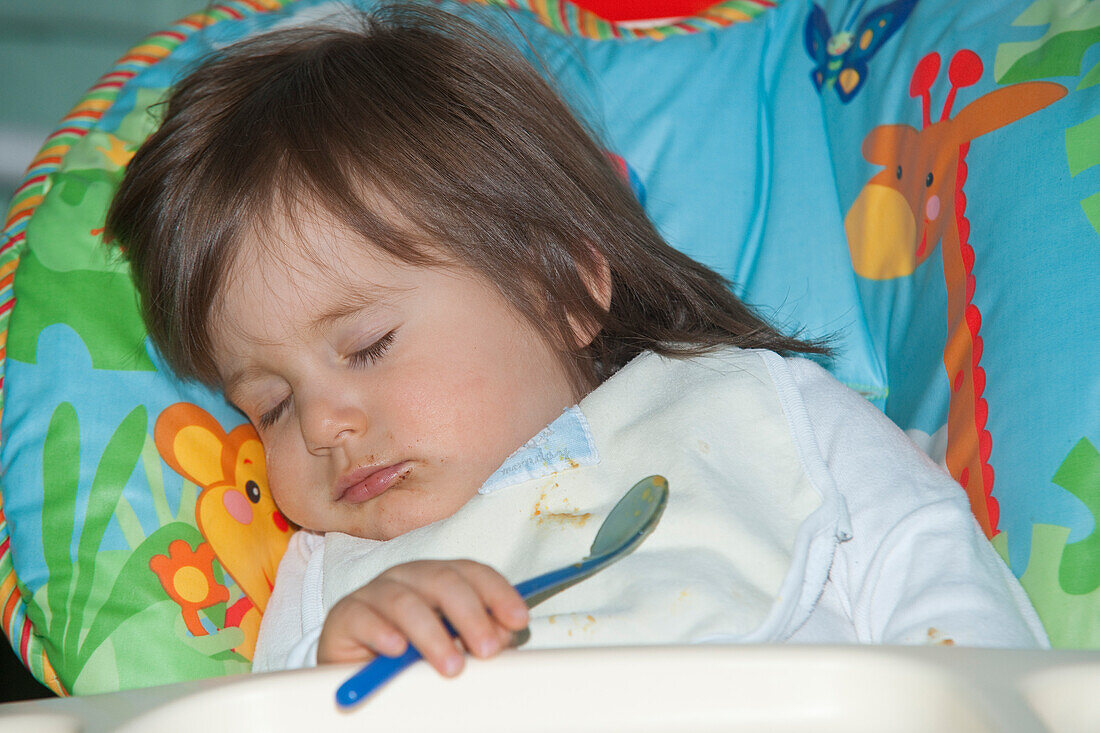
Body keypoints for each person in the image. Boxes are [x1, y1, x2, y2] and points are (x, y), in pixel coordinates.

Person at [105, 2, 1047, 677]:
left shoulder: (750, 407)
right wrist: (331, 676)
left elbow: (935, 569)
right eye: (267, 401)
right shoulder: (328, 585)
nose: (320, 422)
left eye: (367, 345)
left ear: (559, 284)